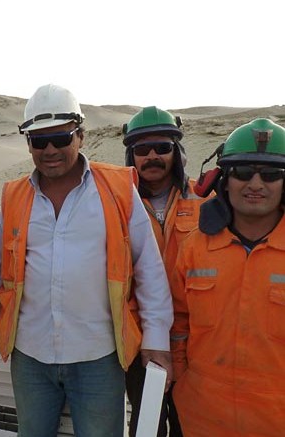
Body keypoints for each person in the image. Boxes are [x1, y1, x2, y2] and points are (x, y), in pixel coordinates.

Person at [0, 84, 174, 437]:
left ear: (80, 136)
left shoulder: (116, 189)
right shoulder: (14, 196)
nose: (50, 150)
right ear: (29, 144)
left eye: (61, 138)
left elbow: (149, 270)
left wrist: (156, 340)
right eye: (39, 141)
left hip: (99, 356)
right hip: (30, 356)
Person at [171, 118, 285, 436]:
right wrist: (179, 377)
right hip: (200, 420)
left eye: (272, 174)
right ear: (224, 179)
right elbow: (178, 323)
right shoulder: (194, 248)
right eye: (243, 172)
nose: (256, 184)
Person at [122, 106, 207, 437]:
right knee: (146, 427)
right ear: (131, 154)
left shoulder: (208, 199)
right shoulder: (118, 204)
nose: (152, 156)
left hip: (196, 343)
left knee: (192, 424)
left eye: (163, 147)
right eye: (142, 149)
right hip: (140, 342)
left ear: (178, 151)